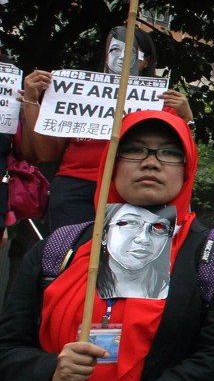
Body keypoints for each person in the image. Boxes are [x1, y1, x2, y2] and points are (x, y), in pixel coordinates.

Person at [0, 108, 214, 381]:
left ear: (187, 167)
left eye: (169, 151)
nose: (151, 162)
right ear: (111, 163)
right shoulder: (59, 248)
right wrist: (50, 371)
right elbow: (8, 349)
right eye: (134, 149)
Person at [20, 26, 193, 229]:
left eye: (130, 52)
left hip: (133, 190)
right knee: (68, 256)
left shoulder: (163, 103)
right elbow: (47, 153)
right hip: (76, 189)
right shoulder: (78, 94)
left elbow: (182, 160)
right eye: (114, 50)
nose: (120, 58)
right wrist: (31, 101)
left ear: (146, 60)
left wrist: (187, 119)